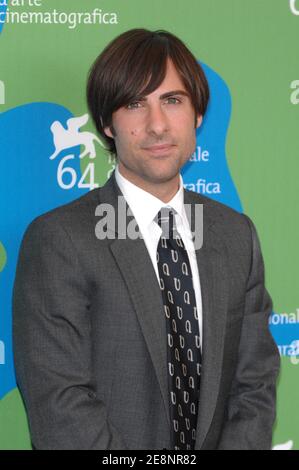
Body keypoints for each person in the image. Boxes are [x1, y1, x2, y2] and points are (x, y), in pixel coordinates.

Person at [13, 28, 280, 450]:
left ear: (197, 115)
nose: (156, 125)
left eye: (172, 101)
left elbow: (254, 386)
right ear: (106, 123)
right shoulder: (60, 240)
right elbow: (59, 406)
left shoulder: (234, 234)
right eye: (135, 104)